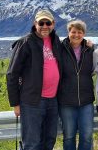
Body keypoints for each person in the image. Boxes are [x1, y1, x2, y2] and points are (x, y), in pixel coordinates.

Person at [6, 9, 62, 150]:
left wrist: (87, 44)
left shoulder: (56, 41)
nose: (44, 26)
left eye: (47, 22)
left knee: (49, 140)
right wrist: (15, 103)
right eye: (41, 23)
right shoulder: (25, 43)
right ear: (35, 23)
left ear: (53, 24)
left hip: (53, 100)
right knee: (32, 143)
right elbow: (12, 74)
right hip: (32, 102)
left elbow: (73, 45)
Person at [58, 20, 94, 150]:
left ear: (84, 34)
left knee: (87, 136)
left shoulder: (89, 49)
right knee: (69, 136)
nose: (76, 35)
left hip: (86, 101)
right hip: (66, 101)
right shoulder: (60, 48)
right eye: (73, 32)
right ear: (68, 32)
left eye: (80, 32)